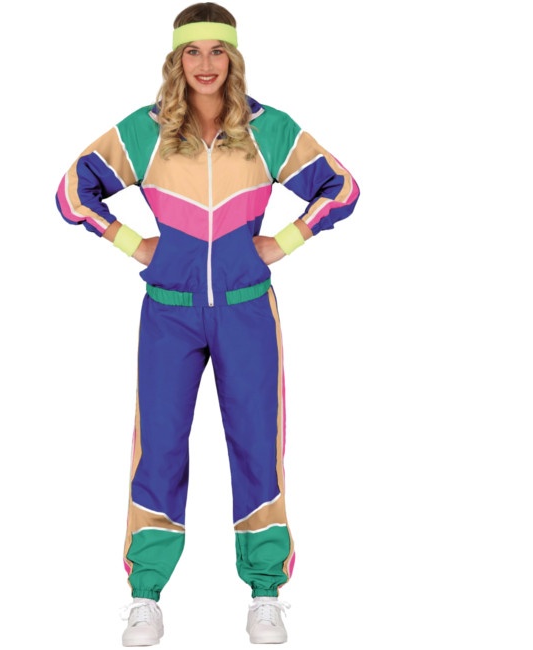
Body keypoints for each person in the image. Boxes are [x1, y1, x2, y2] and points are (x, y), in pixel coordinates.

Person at [55, 2, 359, 645]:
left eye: (217, 51)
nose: (205, 64)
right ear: (176, 59)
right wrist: (135, 244)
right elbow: (73, 191)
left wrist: (284, 241)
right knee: (160, 448)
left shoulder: (267, 128)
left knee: (256, 444)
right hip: (169, 311)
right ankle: (145, 596)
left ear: (233, 57)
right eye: (193, 51)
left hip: (248, 308)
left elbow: (342, 187)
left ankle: (266, 593)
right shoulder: (147, 130)